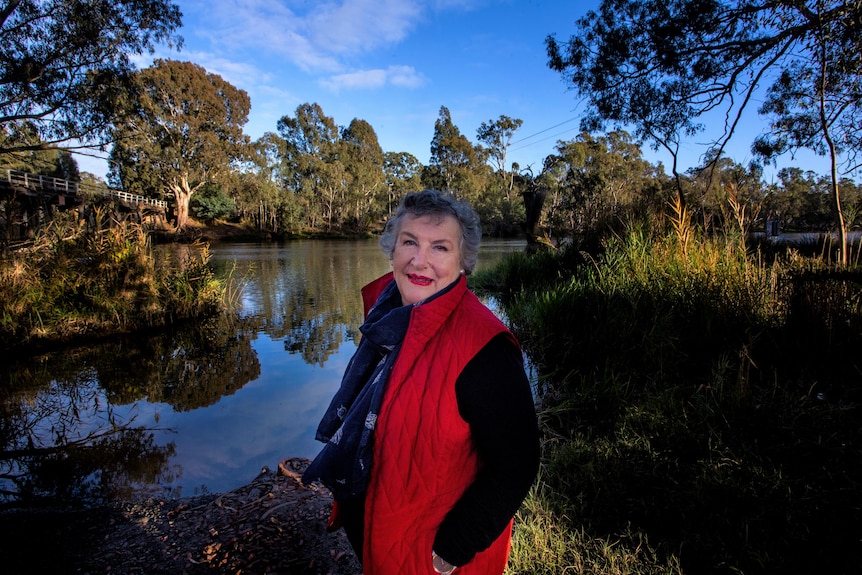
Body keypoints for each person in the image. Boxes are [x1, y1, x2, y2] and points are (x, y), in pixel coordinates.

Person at [302, 189, 540, 574]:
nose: (419, 260)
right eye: (409, 241)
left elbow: (517, 465)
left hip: (427, 553)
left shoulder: (485, 348)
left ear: (463, 262)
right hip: (380, 533)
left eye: (440, 247)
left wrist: (451, 552)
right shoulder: (388, 318)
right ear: (392, 249)